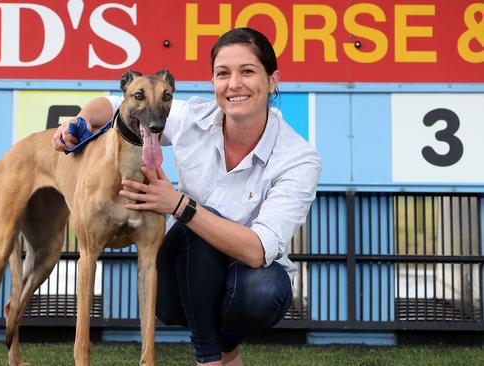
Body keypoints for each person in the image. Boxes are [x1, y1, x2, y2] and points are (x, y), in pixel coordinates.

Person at [53, 27, 321, 366]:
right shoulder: (193, 117)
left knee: (262, 291)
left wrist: (178, 204)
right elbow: (111, 103)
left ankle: (219, 351)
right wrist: (78, 121)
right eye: (223, 73)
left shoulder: (299, 157)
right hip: (186, 269)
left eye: (248, 71)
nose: (234, 84)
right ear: (213, 82)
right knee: (197, 231)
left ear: (272, 80)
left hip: (248, 276)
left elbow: (257, 251)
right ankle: (211, 355)